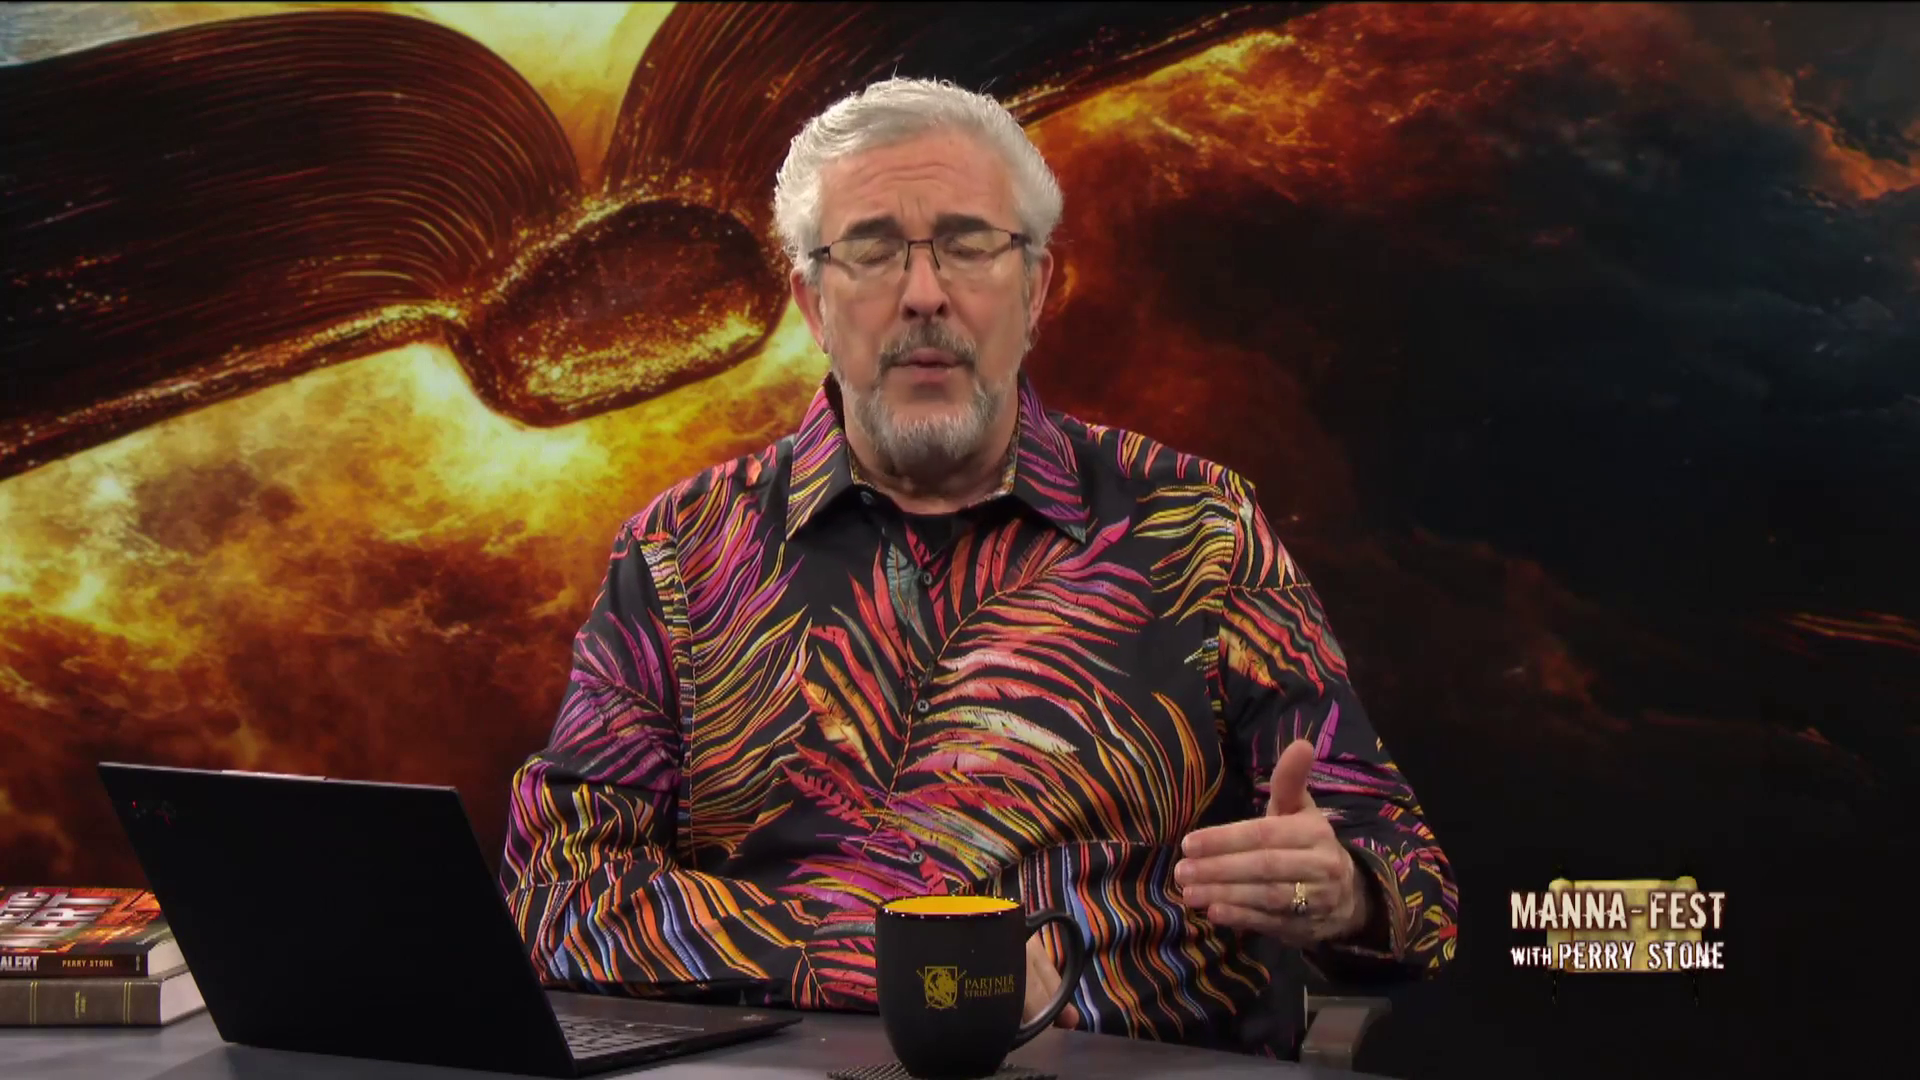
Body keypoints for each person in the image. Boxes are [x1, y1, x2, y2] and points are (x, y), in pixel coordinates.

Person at [499, 76, 1456, 1057]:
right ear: (813, 303)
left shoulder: (1201, 529)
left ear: (1034, 290)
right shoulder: (681, 554)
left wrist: (1345, 893)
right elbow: (552, 896)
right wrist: (889, 954)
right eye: (873, 249)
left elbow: (1416, 888)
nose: (924, 294)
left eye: (967, 244)